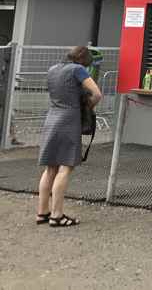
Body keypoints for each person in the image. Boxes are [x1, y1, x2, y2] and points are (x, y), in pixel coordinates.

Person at [36, 46, 102, 228]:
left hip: (52, 118)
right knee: (65, 168)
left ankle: (42, 213)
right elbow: (97, 94)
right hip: (69, 120)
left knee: (50, 168)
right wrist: (88, 106)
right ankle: (57, 216)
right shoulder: (78, 70)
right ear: (84, 60)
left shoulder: (53, 69)